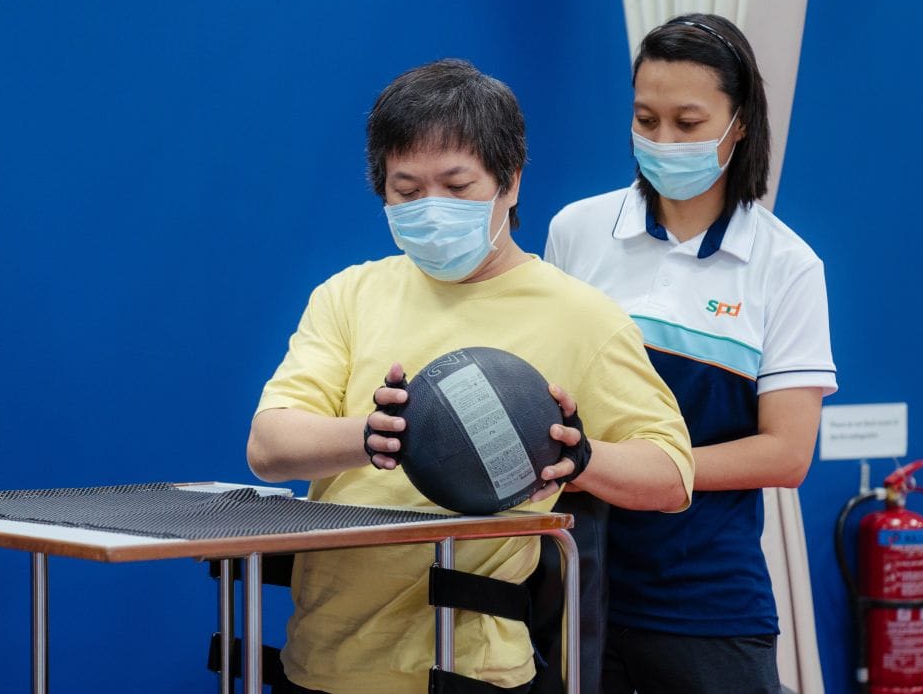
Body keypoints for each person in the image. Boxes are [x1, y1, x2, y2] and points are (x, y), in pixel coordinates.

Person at [247, 58, 693, 694]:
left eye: (456, 187)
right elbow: (269, 447)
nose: (431, 209)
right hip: (324, 664)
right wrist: (374, 435)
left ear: (509, 182)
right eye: (406, 191)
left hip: (472, 670)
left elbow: (672, 476)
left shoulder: (581, 316)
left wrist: (582, 460)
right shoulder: (348, 296)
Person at [545, 14, 837, 694]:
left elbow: (786, 454)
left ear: (740, 125)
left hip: (708, 601)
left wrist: (626, 470)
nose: (662, 140)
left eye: (687, 122)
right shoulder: (577, 232)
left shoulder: (786, 264)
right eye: (646, 120)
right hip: (577, 579)